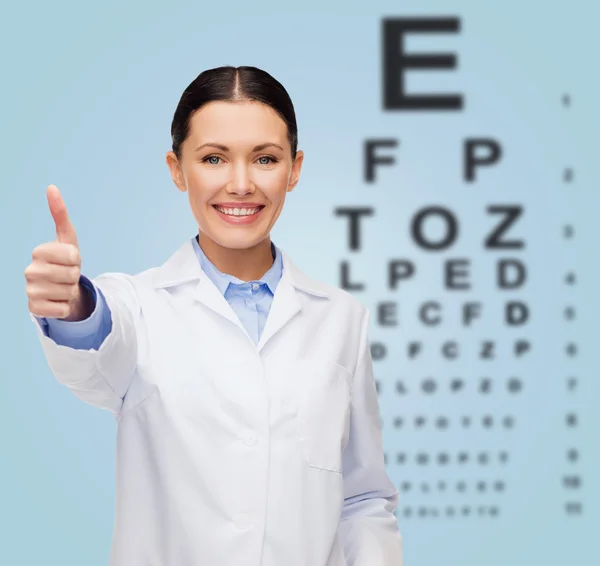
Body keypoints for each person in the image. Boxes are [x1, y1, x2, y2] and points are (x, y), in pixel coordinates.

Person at [24, 65, 403, 566]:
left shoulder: (341, 320)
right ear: (177, 168)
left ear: (295, 168)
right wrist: (72, 305)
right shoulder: (138, 306)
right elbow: (96, 351)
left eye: (265, 159)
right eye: (213, 159)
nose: (241, 184)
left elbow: (362, 498)